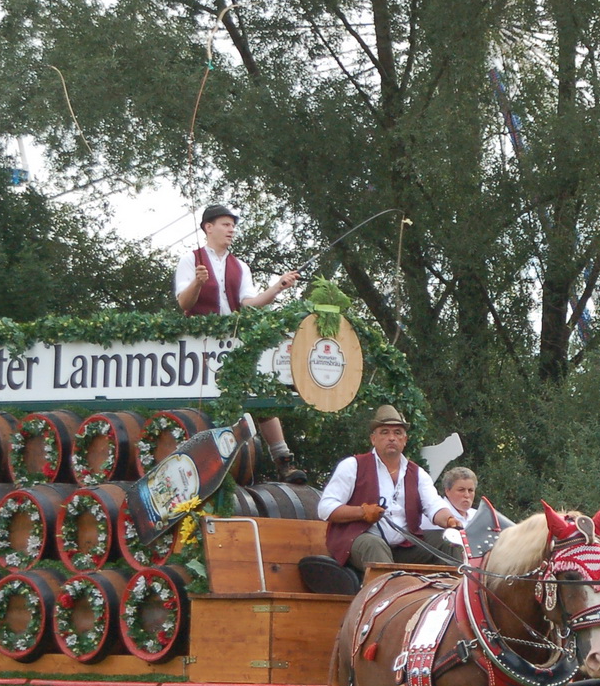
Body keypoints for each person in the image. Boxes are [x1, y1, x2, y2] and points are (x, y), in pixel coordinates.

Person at [173, 204, 305, 479]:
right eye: (225, 224)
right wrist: (197, 283)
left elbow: (249, 305)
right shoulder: (190, 260)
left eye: (233, 225)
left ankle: (283, 459)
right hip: (200, 343)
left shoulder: (240, 266)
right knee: (204, 401)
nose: (231, 230)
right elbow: (184, 303)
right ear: (208, 227)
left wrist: (277, 287)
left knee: (259, 394)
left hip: (233, 342)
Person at [317, 405, 463, 574]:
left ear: (405, 440)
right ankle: (390, 590)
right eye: (385, 432)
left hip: (404, 546)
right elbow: (325, 508)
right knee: (374, 545)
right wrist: (362, 512)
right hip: (360, 542)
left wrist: (449, 520)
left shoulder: (417, 473)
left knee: (449, 540)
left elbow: (434, 505)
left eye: (397, 433)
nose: (392, 438)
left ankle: (454, 589)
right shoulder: (353, 466)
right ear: (373, 439)